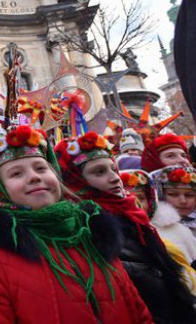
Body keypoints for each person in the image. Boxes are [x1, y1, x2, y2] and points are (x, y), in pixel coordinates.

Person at [0, 125, 152, 323]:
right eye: (16, 174)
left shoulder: (91, 231)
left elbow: (136, 309)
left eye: (41, 168)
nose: (34, 176)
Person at [55, 132, 196, 324]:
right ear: (74, 179)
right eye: (99, 172)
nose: (114, 178)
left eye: (113, 169)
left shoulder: (132, 215)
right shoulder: (84, 231)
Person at [152, 165, 196, 246]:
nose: (183, 201)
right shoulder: (153, 229)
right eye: (173, 194)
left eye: (189, 195)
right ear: (160, 196)